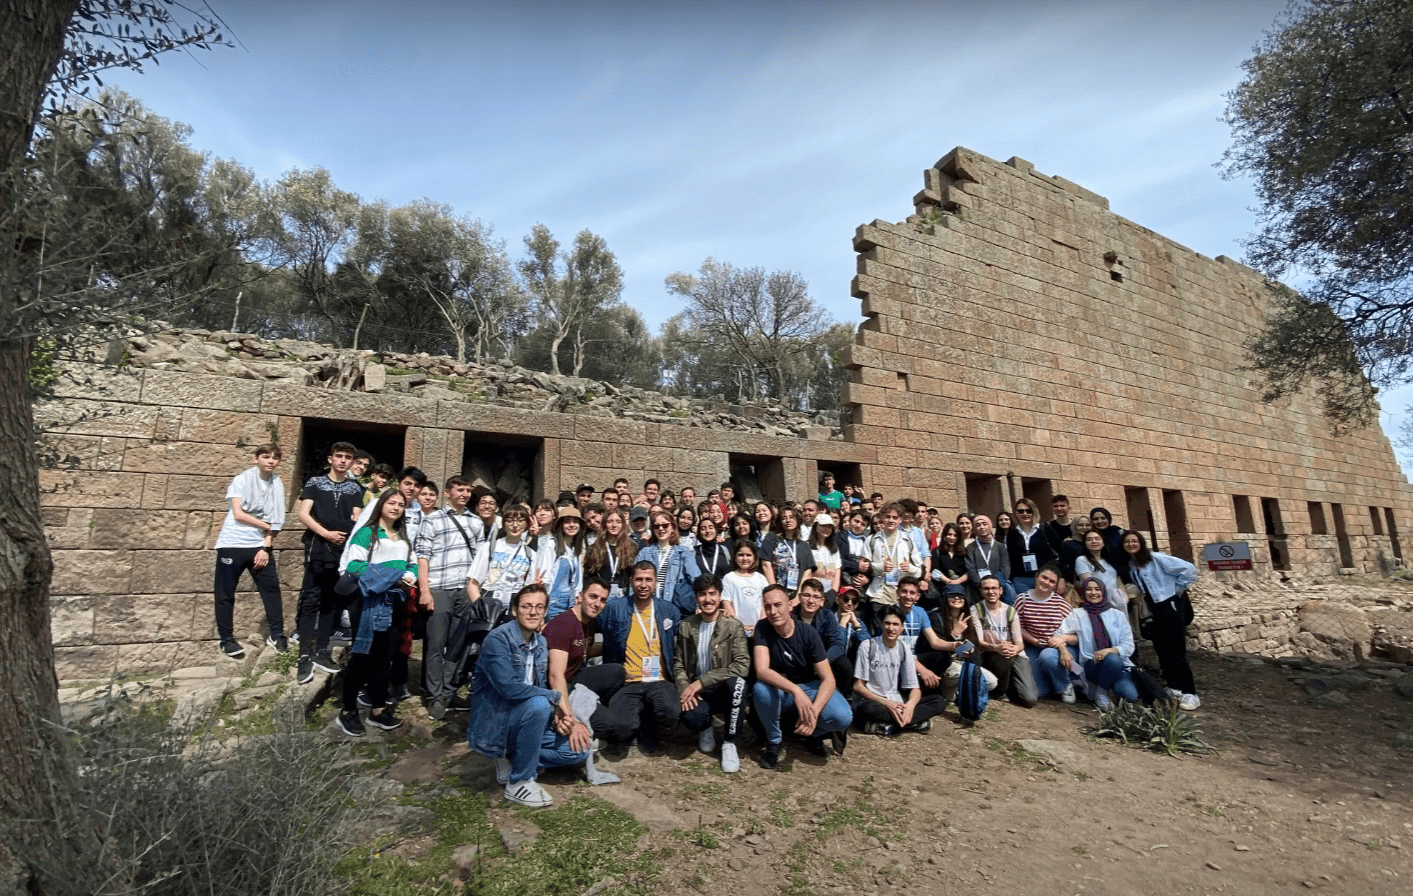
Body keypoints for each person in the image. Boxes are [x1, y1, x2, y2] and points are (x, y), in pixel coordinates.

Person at [468, 584, 591, 809]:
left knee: (578, 750)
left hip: (527, 719)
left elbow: (541, 684)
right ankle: (519, 782)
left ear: (545, 612)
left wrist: (559, 715)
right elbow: (510, 689)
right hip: (496, 723)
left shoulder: (541, 643)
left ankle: (514, 758)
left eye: (539, 607)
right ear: (515, 610)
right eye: (526, 606)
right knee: (539, 704)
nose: (533, 612)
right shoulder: (498, 639)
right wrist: (554, 699)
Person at [336, 489, 417, 736]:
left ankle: (378, 710)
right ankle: (348, 711)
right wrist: (392, 576)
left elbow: (411, 562)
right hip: (369, 601)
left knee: (385, 657)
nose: (395, 507)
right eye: (391, 502)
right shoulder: (367, 533)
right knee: (362, 655)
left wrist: (410, 575)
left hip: (394, 602)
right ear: (381, 505)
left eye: (400, 504)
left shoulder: (403, 535)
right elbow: (355, 564)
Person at [752, 585, 853, 768]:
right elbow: (762, 670)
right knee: (760, 689)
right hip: (782, 689)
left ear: (790, 605)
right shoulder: (763, 628)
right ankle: (774, 741)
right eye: (768, 607)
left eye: (778, 605)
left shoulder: (808, 633)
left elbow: (828, 679)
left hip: (808, 686)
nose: (773, 611)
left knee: (843, 717)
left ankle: (811, 733)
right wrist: (795, 690)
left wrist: (812, 713)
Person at [597, 561, 683, 752]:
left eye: (648, 580)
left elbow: (686, 633)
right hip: (627, 681)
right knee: (621, 728)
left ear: (655, 583)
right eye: (639, 579)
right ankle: (633, 723)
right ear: (631, 581)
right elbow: (590, 624)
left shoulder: (669, 610)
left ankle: (648, 725)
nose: (643, 584)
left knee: (671, 712)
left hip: (658, 679)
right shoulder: (614, 608)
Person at [212, 443, 287, 659]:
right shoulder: (242, 479)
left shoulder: (277, 483)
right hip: (233, 543)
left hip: (259, 547)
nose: (271, 461)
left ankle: (277, 634)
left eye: (275, 457)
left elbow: (278, 520)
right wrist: (266, 525)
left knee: (271, 590)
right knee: (225, 593)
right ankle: (226, 639)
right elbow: (238, 514)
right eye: (266, 457)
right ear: (256, 459)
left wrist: (266, 547)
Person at [295, 441, 363, 681]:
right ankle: (304, 654)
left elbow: (356, 517)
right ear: (330, 459)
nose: (343, 460)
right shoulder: (315, 483)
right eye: (339, 456)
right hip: (318, 546)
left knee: (331, 601)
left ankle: (322, 650)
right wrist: (325, 533)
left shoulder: (355, 488)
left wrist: (346, 533)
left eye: (347, 457)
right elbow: (304, 513)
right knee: (311, 599)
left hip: (341, 548)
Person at [413, 476, 480, 717]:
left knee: (457, 646)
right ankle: (434, 696)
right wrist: (425, 591)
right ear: (448, 492)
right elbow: (423, 557)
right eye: (460, 489)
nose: (464, 494)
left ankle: (449, 692)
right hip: (439, 589)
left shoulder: (476, 522)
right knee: (435, 645)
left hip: (464, 590)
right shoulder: (432, 520)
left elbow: (480, 559)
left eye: (468, 490)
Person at [673, 574, 749, 773]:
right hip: (698, 691)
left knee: (739, 685)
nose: (708, 599)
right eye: (702, 594)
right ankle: (706, 727)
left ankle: (729, 742)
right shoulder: (687, 625)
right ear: (696, 597)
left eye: (712, 594)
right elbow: (679, 663)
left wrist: (703, 681)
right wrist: (685, 688)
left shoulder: (733, 626)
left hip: (723, 689)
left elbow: (742, 666)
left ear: (720, 595)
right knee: (691, 718)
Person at [1121, 531, 1201, 710]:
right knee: (1162, 649)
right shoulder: (1132, 565)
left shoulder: (1156, 559)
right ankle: (1174, 686)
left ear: (1141, 543)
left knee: (1177, 650)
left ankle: (1190, 692)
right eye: (1127, 542)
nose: (1131, 544)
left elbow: (1188, 569)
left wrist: (1176, 591)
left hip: (1169, 604)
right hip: (1153, 608)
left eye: (1134, 541)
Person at [545, 578, 625, 739]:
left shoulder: (589, 622)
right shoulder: (563, 625)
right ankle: (563, 729)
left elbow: (584, 651)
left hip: (576, 678)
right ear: (580, 596)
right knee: (606, 724)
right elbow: (555, 676)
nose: (597, 604)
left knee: (617, 672)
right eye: (593, 597)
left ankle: (590, 706)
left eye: (603, 600)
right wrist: (570, 717)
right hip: (557, 688)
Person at [852, 605, 947, 736]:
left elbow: (915, 688)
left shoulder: (903, 648)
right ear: (881, 625)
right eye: (887, 623)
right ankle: (913, 723)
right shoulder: (868, 646)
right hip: (875, 700)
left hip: (896, 700)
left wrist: (910, 706)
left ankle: (886, 726)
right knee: (866, 709)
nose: (891, 628)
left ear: (902, 628)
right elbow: (858, 687)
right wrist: (886, 703)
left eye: (895, 624)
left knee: (939, 702)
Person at [1056, 576, 1140, 710]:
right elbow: (1058, 634)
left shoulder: (1117, 615)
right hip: (1091, 665)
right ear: (1083, 592)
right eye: (1088, 589)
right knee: (1113, 660)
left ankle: (1106, 687)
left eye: (1097, 589)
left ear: (1103, 591)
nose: (1093, 593)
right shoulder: (1078, 614)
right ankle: (1101, 693)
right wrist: (1064, 652)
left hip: (1120, 666)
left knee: (1130, 695)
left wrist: (1109, 650)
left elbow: (1129, 645)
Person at [968, 575, 1038, 706]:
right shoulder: (976, 610)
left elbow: (1020, 643)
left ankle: (1011, 686)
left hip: (1014, 653)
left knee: (1030, 699)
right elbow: (980, 642)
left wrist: (1013, 649)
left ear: (1001, 590)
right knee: (1001, 657)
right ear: (981, 592)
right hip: (990, 652)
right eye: (986, 589)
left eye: (994, 588)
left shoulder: (1010, 611)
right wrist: (997, 647)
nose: (991, 592)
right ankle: (999, 691)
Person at [1014, 565, 1077, 702]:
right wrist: (1034, 641)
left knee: (1047, 657)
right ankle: (1055, 682)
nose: (1046, 582)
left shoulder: (1061, 604)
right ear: (1037, 576)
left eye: (1052, 581)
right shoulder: (1022, 599)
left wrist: (1061, 641)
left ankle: (1066, 684)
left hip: (1058, 649)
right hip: (1034, 646)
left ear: (1055, 585)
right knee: (1041, 693)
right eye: (1044, 577)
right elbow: (1018, 627)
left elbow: (1076, 635)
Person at [466, 504, 537, 614]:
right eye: (510, 521)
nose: (515, 525)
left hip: (515, 604)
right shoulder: (490, 547)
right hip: (488, 600)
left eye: (520, 521)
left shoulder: (530, 554)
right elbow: (473, 584)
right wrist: (480, 607)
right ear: (504, 524)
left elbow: (528, 588)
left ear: (527, 524)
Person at [635, 510, 702, 616]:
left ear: (673, 528)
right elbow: (634, 582)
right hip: (647, 607)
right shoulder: (644, 553)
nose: (661, 529)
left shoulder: (683, 553)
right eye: (656, 526)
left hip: (673, 608)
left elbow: (696, 579)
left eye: (665, 525)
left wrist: (700, 604)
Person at [793, 578, 852, 696]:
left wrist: (822, 662)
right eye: (806, 595)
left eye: (816, 597)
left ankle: (839, 696)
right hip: (797, 663)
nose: (811, 601)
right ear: (799, 597)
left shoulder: (827, 616)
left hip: (821, 661)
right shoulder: (791, 617)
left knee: (844, 664)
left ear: (822, 601)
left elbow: (838, 644)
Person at [863, 503, 922, 617]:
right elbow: (864, 567)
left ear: (900, 520)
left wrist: (910, 568)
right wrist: (880, 567)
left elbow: (920, 570)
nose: (891, 520)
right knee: (879, 632)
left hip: (901, 597)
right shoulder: (872, 540)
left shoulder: (908, 541)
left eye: (895, 518)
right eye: (888, 517)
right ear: (882, 518)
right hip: (878, 595)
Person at [536, 506, 585, 621]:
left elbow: (576, 582)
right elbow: (545, 578)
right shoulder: (552, 545)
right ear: (560, 525)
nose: (572, 525)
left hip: (570, 604)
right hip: (553, 604)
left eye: (575, 522)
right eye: (567, 522)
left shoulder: (574, 549)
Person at [1006, 498, 1056, 596]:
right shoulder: (1011, 534)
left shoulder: (1045, 529)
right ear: (1015, 514)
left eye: (1029, 511)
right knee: (1025, 609)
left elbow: (1057, 553)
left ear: (1034, 512)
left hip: (1044, 578)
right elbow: (1011, 557)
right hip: (1020, 579)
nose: (1025, 514)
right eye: (1021, 511)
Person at [583, 507, 635, 599]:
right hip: (600, 598)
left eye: (618, 522)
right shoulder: (594, 548)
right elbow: (588, 577)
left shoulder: (631, 548)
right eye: (610, 521)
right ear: (604, 524)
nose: (614, 525)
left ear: (623, 524)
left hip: (624, 598)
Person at [761, 506, 815, 595]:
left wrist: (799, 597)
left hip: (797, 594)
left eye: (792, 517)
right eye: (783, 518)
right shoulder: (771, 538)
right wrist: (775, 592)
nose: (788, 520)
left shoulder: (804, 545)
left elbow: (807, 571)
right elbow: (766, 565)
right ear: (780, 522)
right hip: (775, 591)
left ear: (797, 520)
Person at [720, 540, 769, 637]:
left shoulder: (761, 578)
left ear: (755, 558)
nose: (745, 558)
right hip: (737, 630)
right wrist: (738, 626)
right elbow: (727, 604)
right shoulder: (729, 578)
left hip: (758, 629)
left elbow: (765, 604)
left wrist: (760, 624)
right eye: (741, 555)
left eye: (749, 555)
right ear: (735, 557)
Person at [965, 515, 1015, 604]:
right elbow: (970, 568)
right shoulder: (971, 547)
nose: (982, 527)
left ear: (990, 526)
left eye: (984, 524)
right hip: (978, 589)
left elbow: (1005, 568)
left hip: (998, 589)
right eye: (978, 525)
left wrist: (995, 586)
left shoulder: (999, 546)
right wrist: (982, 586)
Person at [1075, 528, 1127, 609]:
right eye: (1089, 539)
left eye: (1097, 538)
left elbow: (1119, 583)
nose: (1094, 541)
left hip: (1117, 602)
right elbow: (1089, 583)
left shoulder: (1110, 560)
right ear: (1085, 544)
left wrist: (1124, 599)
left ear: (1103, 543)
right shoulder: (1082, 560)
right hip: (1098, 602)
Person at [928, 522, 969, 610]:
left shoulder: (964, 552)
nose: (952, 538)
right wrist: (948, 581)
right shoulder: (937, 551)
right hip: (943, 590)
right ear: (944, 535)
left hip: (961, 590)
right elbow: (935, 570)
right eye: (949, 534)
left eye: (955, 535)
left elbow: (969, 570)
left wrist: (957, 581)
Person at [809, 513, 842, 596]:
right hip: (812, 592)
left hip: (829, 592)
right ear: (815, 526)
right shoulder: (807, 547)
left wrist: (833, 593)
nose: (826, 529)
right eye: (823, 525)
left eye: (829, 526)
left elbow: (837, 575)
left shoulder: (834, 549)